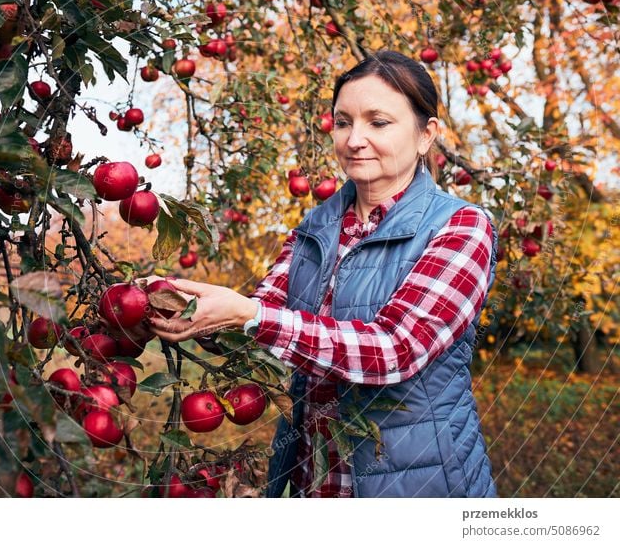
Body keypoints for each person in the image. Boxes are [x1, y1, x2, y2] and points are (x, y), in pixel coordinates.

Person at [149, 50, 499, 498]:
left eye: (378, 122)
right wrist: (173, 304)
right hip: (311, 480)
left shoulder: (461, 226)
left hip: (414, 485)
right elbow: (258, 325)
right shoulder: (315, 228)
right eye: (342, 122)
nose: (355, 139)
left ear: (426, 134)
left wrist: (250, 316)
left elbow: (395, 350)